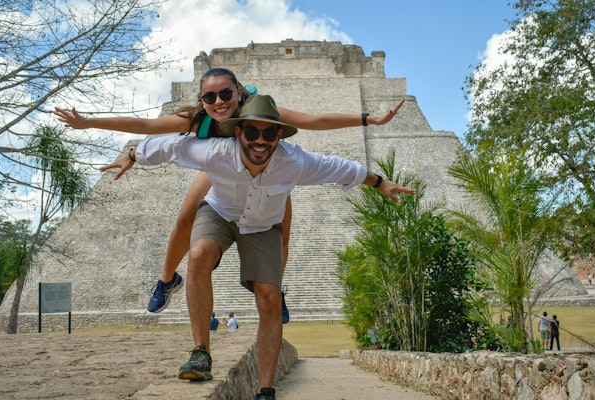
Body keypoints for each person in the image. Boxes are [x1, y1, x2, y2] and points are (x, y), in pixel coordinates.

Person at [100, 94, 415, 400]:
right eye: (251, 132)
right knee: (197, 254)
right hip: (220, 212)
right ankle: (200, 353)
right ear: (237, 132)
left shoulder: (295, 161)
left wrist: (380, 182)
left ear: (279, 135)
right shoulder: (215, 151)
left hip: (263, 225)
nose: (260, 141)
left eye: (268, 133)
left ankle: (266, 390)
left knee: (270, 298)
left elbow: (341, 167)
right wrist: (129, 156)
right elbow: (165, 145)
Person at [54, 67, 405, 315]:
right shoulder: (198, 119)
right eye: (210, 96)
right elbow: (146, 126)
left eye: (226, 94)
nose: (219, 102)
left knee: (280, 231)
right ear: (202, 98)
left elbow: (313, 121)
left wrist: (366, 119)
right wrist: (92, 125)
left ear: (239, 93)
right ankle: (166, 279)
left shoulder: (261, 113)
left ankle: (275, 290)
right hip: (219, 167)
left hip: (267, 172)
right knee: (185, 219)